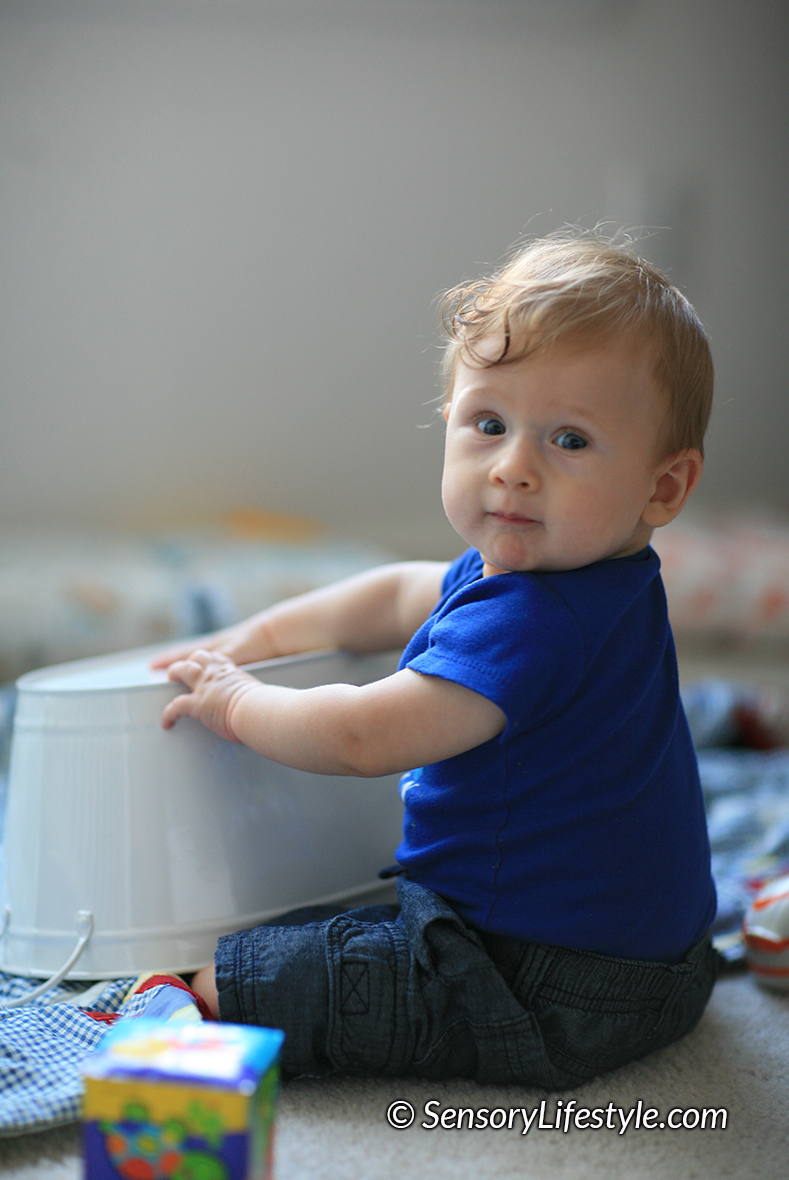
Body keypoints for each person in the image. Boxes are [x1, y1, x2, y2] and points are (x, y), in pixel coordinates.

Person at [152, 232, 719, 1090]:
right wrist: (258, 640)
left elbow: (358, 738)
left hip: (536, 981)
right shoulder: (594, 574)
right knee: (330, 916)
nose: (513, 470)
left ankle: (185, 1023)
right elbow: (390, 595)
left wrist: (234, 701)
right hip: (664, 958)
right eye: (488, 424)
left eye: (569, 441)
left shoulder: (537, 617)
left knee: (245, 972)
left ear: (663, 487)